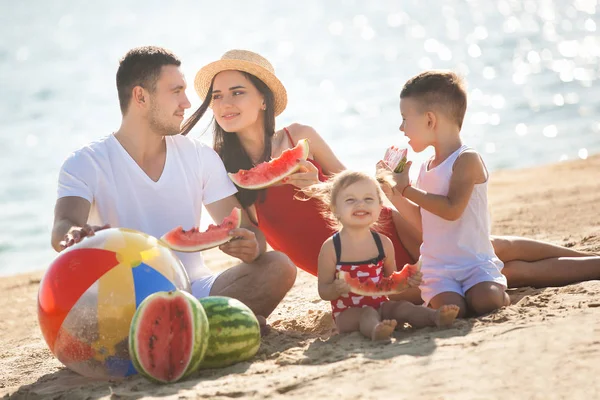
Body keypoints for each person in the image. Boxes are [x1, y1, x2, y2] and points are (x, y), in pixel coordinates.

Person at [182, 49, 600, 305]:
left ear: (263, 99)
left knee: (486, 252)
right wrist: (234, 241)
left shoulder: (300, 137)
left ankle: (592, 263)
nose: (225, 104)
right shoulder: (219, 167)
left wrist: (322, 187)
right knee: (502, 269)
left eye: (237, 92)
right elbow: (256, 246)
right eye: (217, 96)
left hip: (388, 226)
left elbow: (360, 187)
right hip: (354, 263)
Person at [51, 46, 297, 324]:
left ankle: (184, 330)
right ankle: (204, 328)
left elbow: (247, 230)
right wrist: (75, 234)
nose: (187, 103)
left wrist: (252, 246)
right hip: (125, 300)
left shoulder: (199, 156)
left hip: (195, 290)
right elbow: (64, 224)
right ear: (141, 96)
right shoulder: (85, 162)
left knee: (279, 267)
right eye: (176, 91)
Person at [378, 71, 512, 316]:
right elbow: (425, 222)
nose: (401, 127)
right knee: (454, 309)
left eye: (405, 118)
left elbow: (451, 210)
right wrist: (394, 193)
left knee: (487, 301)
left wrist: (407, 189)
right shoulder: (424, 166)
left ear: (430, 120)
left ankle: (493, 292)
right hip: (438, 269)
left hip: (475, 264)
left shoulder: (466, 159)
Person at [304, 170, 459, 340]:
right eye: (350, 200)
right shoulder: (332, 248)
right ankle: (376, 331)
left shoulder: (383, 244)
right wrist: (335, 289)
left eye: (368, 199)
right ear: (334, 209)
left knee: (403, 307)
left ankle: (434, 317)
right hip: (347, 315)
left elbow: (390, 285)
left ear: (379, 207)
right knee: (367, 313)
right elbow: (323, 291)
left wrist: (405, 283)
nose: (360, 204)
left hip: (381, 306)